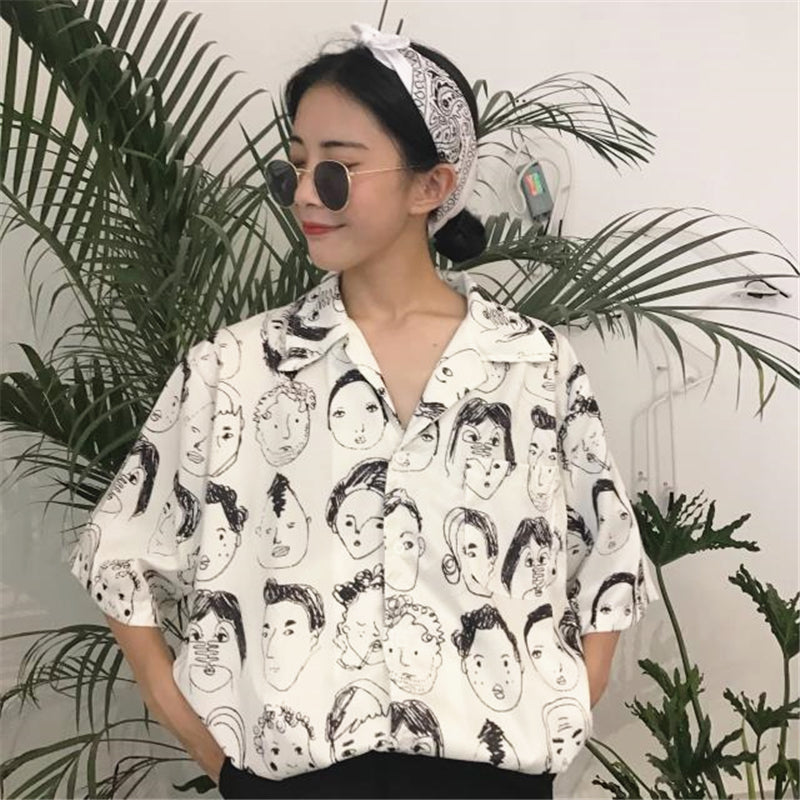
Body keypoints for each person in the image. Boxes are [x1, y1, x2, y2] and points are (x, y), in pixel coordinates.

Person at [67, 19, 660, 800]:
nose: (305, 194)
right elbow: (118, 553)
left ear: (430, 186)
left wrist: (568, 706)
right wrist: (213, 753)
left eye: (337, 169)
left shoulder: (534, 365)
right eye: (294, 168)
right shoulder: (234, 368)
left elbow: (609, 556)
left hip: (494, 782)